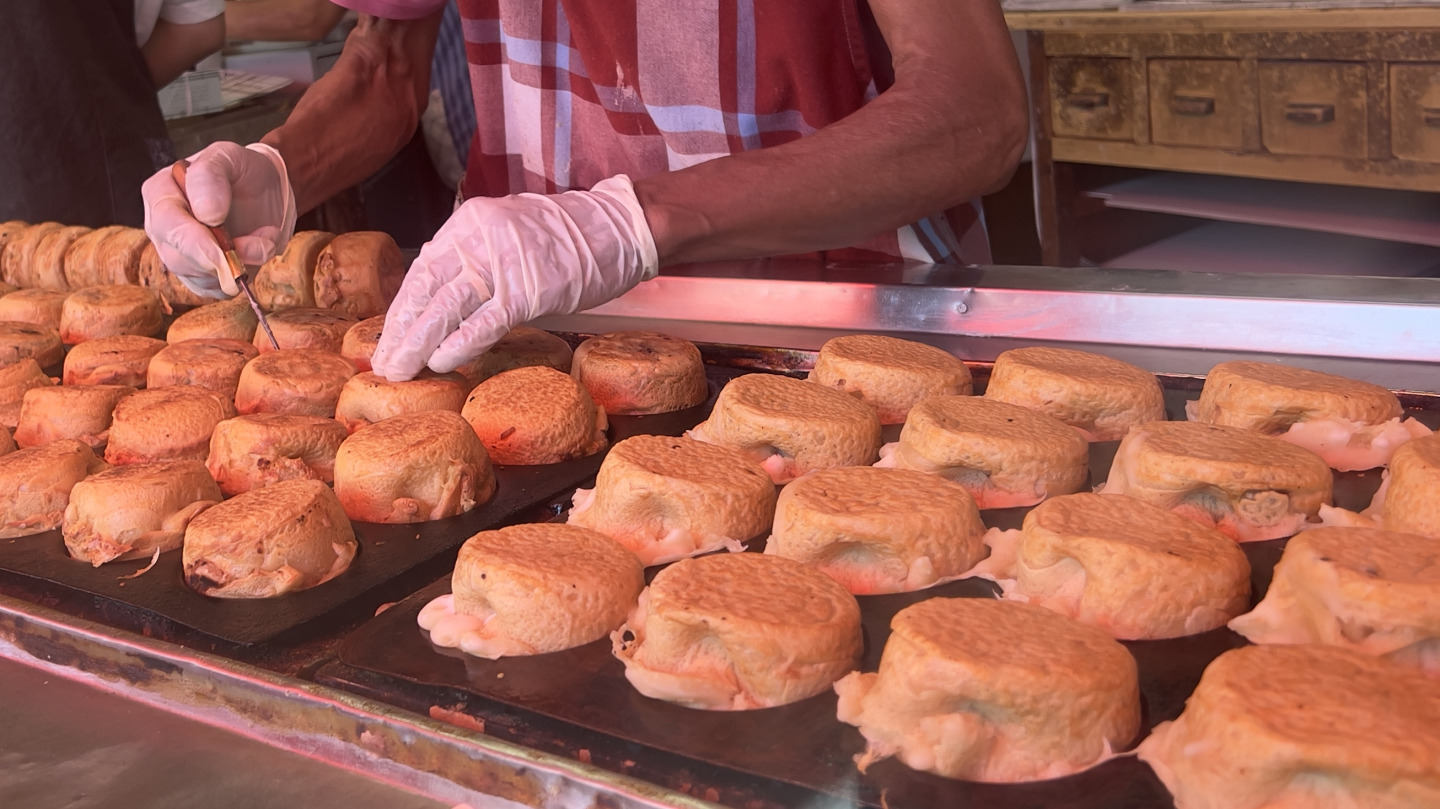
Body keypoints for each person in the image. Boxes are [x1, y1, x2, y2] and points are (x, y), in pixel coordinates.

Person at [143, 0, 1027, 382]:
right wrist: (279, 166)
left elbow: (974, 110)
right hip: (528, 321)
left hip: (829, 318)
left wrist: (635, 219)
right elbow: (382, 66)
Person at [1, 0, 222, 227]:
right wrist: (112, 87)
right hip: (111, 165)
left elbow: (203, 31)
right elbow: (200, 29)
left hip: (96, 177)